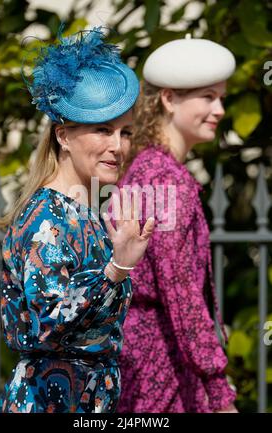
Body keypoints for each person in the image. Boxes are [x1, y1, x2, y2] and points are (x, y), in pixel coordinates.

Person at [0, 27, 154, 413]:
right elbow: (49, 322)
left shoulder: (86, 212)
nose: (118, 146)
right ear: (63, 136)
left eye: (125, 132)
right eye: (103, 130)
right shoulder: (45, 216)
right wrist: (117, 269)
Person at [116, 34, 238, 413]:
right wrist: (219, 391)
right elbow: (180, 291)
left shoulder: (150, 167)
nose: (219, 109)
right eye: (207, 97)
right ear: (168, 99)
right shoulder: (163, 178)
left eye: (220, 97)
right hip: (157, 366)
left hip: (150, 360)